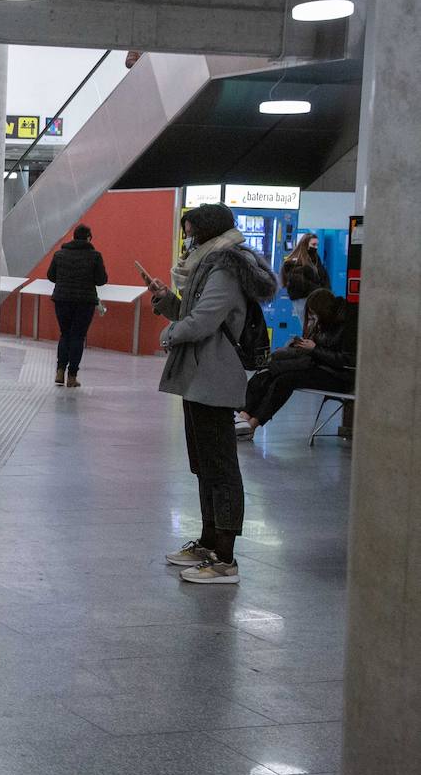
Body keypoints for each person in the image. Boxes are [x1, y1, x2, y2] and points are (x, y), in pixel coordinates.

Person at [146, 203, 277, 585]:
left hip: (216, 376)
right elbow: (193, 311)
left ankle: (225, 558)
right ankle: (207, 542)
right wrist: (166, 301)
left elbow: (205, 320)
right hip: (199, 374)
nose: (187, 239)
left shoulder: (225, 267)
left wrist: (170, 334)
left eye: (190, 232)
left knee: (220, 467)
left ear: (206, 231)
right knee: (204, 464)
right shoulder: (208, 264)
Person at [235, 288, 356, 440]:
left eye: (313, 313)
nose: (312, 317)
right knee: (269, 371)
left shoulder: (345, 327)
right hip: (318, 367)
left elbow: (344, 361)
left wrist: (314, 349)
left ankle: (251, 424)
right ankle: (243, 417)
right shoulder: (326, 323)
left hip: (336, 376)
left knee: (284, 379)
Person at [45, 223, 108, 387]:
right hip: (84, 302)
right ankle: (72, 376)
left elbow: (51, 276)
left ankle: (60, 371)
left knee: (65, 334)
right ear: (88, 238)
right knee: (78, 336)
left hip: (62, 299)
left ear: (73, 237)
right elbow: (102, 280)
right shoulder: (95, 256)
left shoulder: (60, 254)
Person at [281, 232, 330, 326]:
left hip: (315, 298)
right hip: (302, 299)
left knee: (314, 326)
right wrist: (320, 290)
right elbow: (300, 284)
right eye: (313, 244)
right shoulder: (293, 262)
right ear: (305, 244)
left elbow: (324, 277)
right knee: (308, 326)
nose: (316, 247)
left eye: (317, 245)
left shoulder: (315, 259)